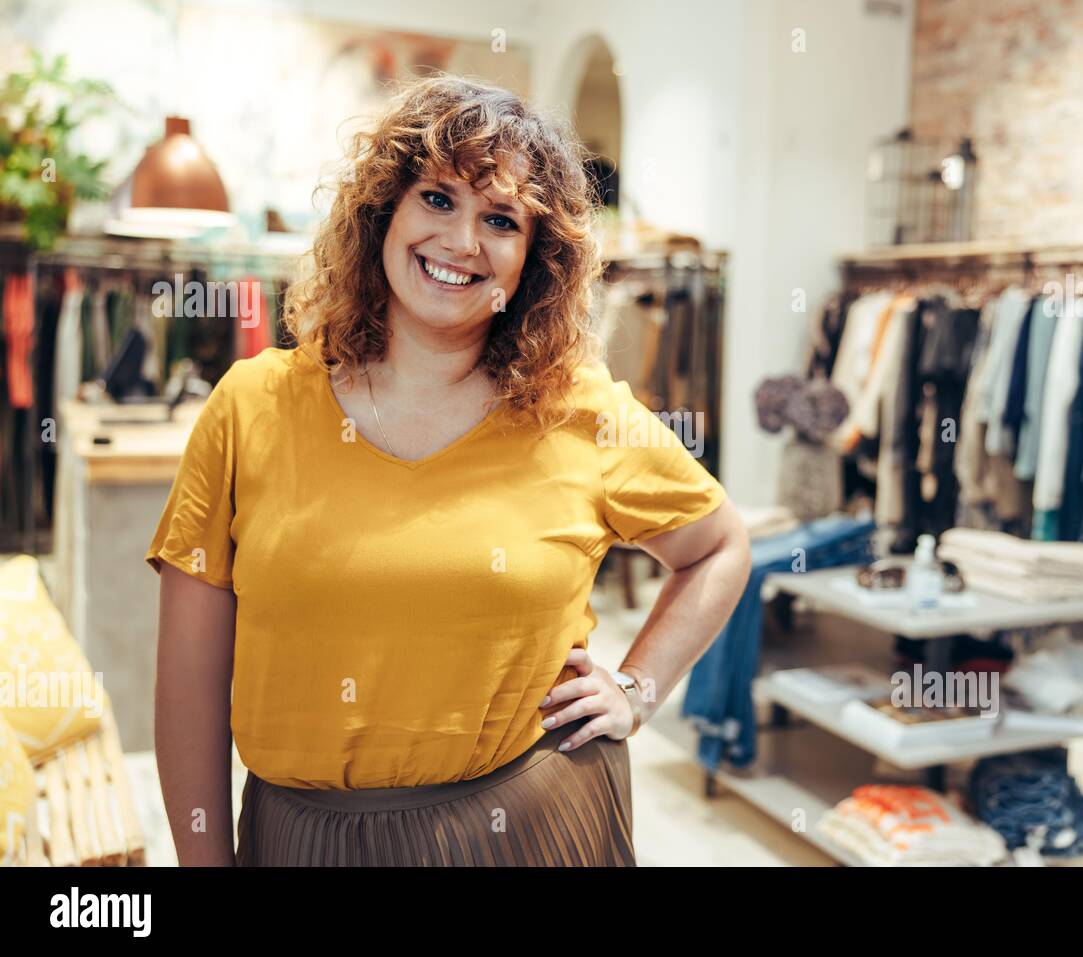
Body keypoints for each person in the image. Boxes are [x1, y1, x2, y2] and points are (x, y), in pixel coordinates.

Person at [148, 74, 751, 866]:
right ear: (384, 212)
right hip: (307, 840)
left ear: (535, 258)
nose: (463, 241)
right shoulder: (250, 407)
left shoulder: (578, 408)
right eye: (437, 198)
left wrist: (637, 689)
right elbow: (188, 690)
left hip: (534, 827)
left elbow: (720, 544)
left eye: (500, 219)